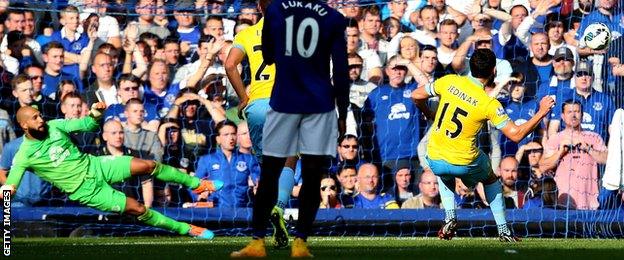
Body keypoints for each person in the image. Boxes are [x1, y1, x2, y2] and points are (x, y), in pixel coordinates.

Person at [231, 0, 350, 257]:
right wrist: (342, 114)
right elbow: (341, 73)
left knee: (272, 168)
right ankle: (300, 243)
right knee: (309, 174)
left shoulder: (276, 15)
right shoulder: (333, 18)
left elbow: (269, 56)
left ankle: (257, 242)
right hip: (319, 104)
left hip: (282, 100)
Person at [0, 104, 223, 239]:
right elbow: (11, 183)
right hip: (86, 190)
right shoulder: (23, 154)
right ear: (24, 126)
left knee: (147, 165)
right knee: (137, 208)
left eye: (40, 115)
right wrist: (7, 194)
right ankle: (187, 229)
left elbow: (87, 125)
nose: (41, 119)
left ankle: (198, 184)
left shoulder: (55, 126)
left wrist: (96, 114)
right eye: (35, 118)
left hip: (96, 165)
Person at [411, 49, 555, 242]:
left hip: (435, 157)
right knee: (491, 180)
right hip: (464, 161)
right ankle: (503, 231)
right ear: (494, 71)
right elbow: (516, 134)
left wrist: (429, 114)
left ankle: (449, 217)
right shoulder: (489, 104)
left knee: (444, 172)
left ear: (470, 67)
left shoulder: (449, 81)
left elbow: (416, 95)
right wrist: (541, 112)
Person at [224, 0, 298, 250]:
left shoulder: (246, 33)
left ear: (259, 7)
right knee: (290, 158)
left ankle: (267, 217)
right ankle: (280, 206)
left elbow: (229, 65)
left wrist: (243, 97)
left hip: (256, 106)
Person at [539, 99, 607, 210]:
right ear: (562, 116)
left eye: (577, 111)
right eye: (569, 112)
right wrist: (560, 152)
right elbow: (542, 167)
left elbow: (607, 160)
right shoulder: (556, 139)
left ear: (582, 114)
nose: (573, 115)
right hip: (563, 202)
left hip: (590, 203)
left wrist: (588, 148)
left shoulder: (594, 137)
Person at [194, 121, 260, 208]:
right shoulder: (207, 160)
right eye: (226, 135)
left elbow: (258, 179)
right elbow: (194, 185)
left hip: (242, 212)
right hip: (215, 212)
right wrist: (200, 195)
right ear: (218, 139)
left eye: (233, 134)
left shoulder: (249, 159)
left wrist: (257, 186)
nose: (231, 138)